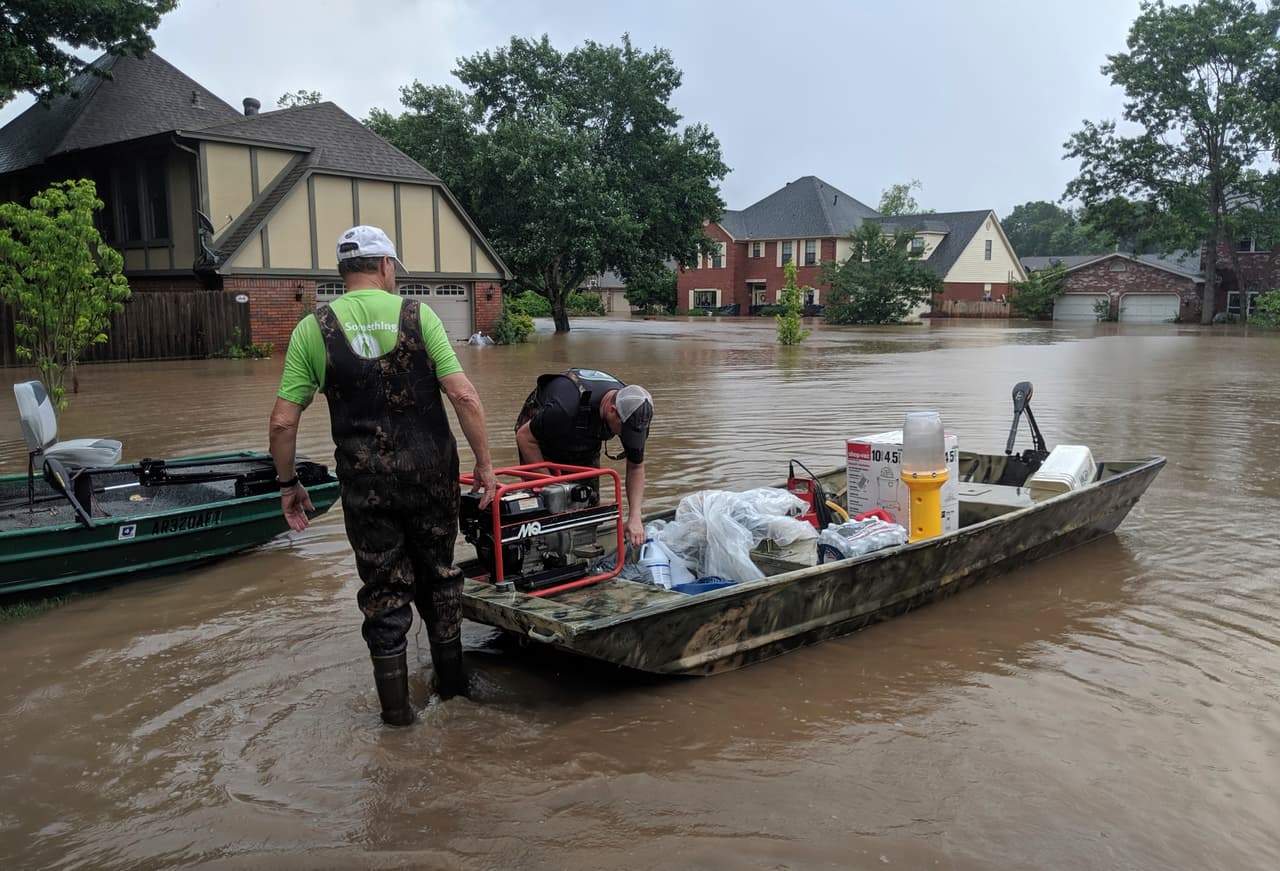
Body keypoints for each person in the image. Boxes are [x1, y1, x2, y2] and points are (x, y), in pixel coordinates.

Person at [269, 224, 498, 728]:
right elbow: (463, 396)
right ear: (387, 266)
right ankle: (454, 696)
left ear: (343, 271)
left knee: (383, 591)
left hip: (364, 486)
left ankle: (396, 718)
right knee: (440, 579)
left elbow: (284, 421)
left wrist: (289, 486)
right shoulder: (419, 316)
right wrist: (484, 465)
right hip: (431, 478)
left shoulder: (314, 329)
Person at [513, 368, 653, 548]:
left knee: (588, 506)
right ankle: (539, 552)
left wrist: (635, 516)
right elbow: (525, 438)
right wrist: (553, 488)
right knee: (549, 506)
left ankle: (581, 550)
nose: (627, 437)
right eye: (624, 431)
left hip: (585, 440)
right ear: (612, 410)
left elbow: (636, 467)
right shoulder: (565, 408)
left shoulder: (635, 415)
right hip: (539, 437)